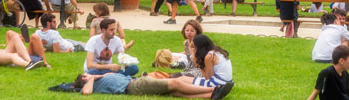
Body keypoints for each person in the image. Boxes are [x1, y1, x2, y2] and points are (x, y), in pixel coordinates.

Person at [73, 72, 233, 98]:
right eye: (86, 75)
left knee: (175, 92)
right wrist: (91, 78)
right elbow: (86, 93)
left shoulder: (102, 78)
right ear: (84, 80)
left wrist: (99, 75)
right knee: (176, 82)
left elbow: (109, 73)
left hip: (136, 82)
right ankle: (214, 89)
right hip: (135, 87)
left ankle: (210, 96)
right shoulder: (92, 84)